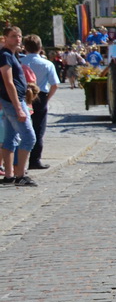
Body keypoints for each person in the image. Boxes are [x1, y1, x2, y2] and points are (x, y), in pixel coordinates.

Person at [0, 28, 37, 188]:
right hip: (13, 102)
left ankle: (9, 175)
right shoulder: (5, 55)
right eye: (13, 36)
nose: (18, 39)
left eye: (19, 36)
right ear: (5, 38)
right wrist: (19, 108)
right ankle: (20, 175)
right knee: (29, 137)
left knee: (10, 139)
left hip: (14, 101)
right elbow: (8, 83)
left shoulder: (11, 55)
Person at [18, 36, 57, 171]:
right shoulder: (47, 64)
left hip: (22, 95)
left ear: (24, 47)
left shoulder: (19, 62)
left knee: (20, 128)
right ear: (40, 48)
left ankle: (17, 160)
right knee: (38, 129)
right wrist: (47, 98)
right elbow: (54, 84)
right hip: (39, 96)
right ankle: (34, 160)